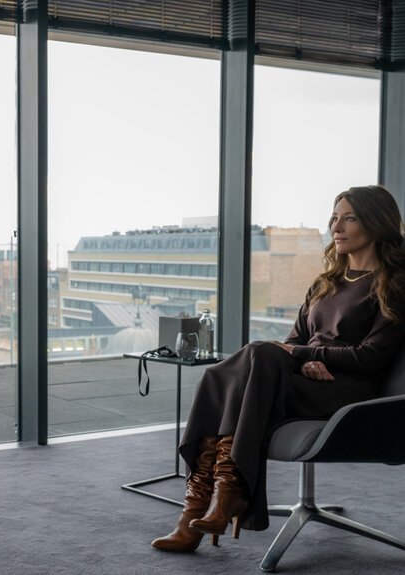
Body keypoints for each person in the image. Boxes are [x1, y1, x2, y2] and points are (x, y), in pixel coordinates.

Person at [152, 185, 405, 553]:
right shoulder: (326, 283)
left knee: (251, 359)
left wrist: (303, 355)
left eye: (349, 217)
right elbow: (295, 339)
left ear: (377, 223)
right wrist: (305, 358)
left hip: (351, 390)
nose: (337, 225)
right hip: (305, 379)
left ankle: (223, 500)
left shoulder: (393, 284)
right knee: (219, 375)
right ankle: (200, 510)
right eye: (334, 217)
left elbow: (370, 357)